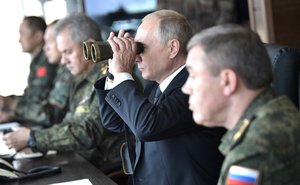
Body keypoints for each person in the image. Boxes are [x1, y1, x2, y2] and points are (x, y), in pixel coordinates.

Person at [94, 9, 225, 185]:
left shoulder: (194, 87)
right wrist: (113, 73)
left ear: (172, 48)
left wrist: (123, 73)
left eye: (141, 48)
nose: (136, 57)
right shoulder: (155, 87)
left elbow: (147, 126)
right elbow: (115, 122)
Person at [3, 13, 124, 171]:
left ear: (90, 46)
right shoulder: (81, 77)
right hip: (83, 160)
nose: (63, 60)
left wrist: (33, 138)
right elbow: (70, 122)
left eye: (67, 52)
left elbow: (88, 133)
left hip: (105, 170)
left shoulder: (109, 77)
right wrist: (35, 142)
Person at [181, 24, 300, 185]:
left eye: (193, 75)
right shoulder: (274, 111)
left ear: (228, 81)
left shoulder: (254, 150)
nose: (185, 88)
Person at [0, 16, 58, 123]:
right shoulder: (37, 62)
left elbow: (37, 100)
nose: (19, 40)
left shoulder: (47, 63)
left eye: (22, 33)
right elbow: (29, 97)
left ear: (37, 36)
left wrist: (10, 104)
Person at [156, 0, 236, 34]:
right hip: (180, 37)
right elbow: (162, 15)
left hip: (212, 35)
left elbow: (227, 11)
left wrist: (217, 34)